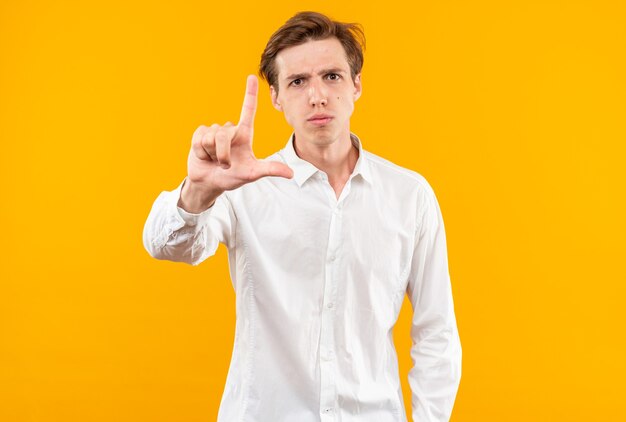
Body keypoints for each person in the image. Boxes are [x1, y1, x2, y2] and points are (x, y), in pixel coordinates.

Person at [143, 11, 461, 422]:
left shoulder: (409, 195)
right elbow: (167, 245)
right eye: (298, 81)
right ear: (276, 97)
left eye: (332, 76)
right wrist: (200, 189)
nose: (318, 96)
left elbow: (437, 332)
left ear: (356, 84)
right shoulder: (241, 184)